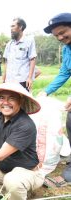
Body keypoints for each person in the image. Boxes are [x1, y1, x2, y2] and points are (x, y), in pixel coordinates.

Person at [39, 12, 71, 183]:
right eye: (56, 35)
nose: (59, 37)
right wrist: (46, 91)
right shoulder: (67, 50)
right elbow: (64, 73)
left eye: (63, 32)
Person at [3, 18, 37, 91]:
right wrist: (3, 79)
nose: (11, 29)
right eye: (10, 26)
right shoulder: (9, 44)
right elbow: (6, 62)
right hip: (9, 81)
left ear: (20, 27)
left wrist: (30, 78)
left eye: (13, 26)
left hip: (22, 81)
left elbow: (32, 59)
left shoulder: (29, 41)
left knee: (24, 101)